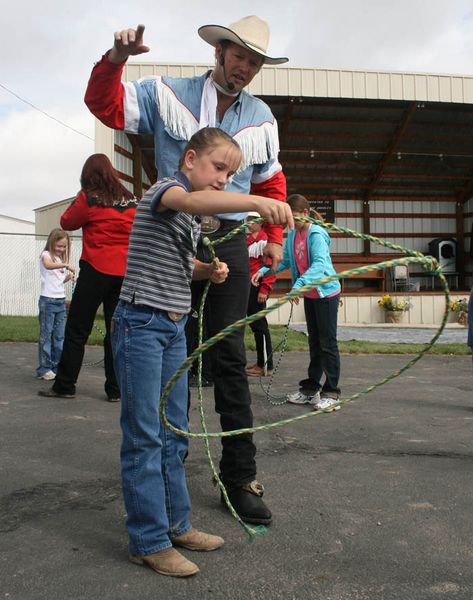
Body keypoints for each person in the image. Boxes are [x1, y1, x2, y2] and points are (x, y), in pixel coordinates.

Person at [84, 15, 289, 525]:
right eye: (239, 55)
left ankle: (240, 477)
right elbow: (104, 105)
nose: (245, 67)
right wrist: (117, 59)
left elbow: (272, 181)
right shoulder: (167, 93)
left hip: (232, 239)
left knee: (228, 353)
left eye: (255, 61)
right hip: (176, 234)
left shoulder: (262, 116)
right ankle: (166, 479)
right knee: (173, 353)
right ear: (219, 51)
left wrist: (277, 238)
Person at [110, 128, 293, 577]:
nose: (223, 180)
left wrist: (206, 270)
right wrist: (253, 201)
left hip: (173, 326)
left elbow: (176, 258)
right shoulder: (166, 190)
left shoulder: (190, 217)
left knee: (175, 430)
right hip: (140, 324)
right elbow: (193, 203)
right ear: (189, 159)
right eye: (218, 168)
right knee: (145, 434)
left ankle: (176, 524)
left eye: (231, 175)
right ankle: (148, 540)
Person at [38, 154, 138, 401]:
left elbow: (66, 221)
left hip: (95, 270)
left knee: (77, 330)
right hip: (123, 274)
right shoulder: (131, 199)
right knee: (116, 332)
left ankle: (65, 385)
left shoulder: (89, 198)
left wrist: (81, 194)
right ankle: (115, 391)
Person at [252, 194, 342, 412]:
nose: (290, 222)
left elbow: (320, 265)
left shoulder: (316, 234)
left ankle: (332, 392)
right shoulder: (293, 235)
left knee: (327, 343)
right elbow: (288, 261)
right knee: (314, 343)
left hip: (326, 294)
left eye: (293, 217)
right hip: (309, 294)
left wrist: (299, 285)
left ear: (305, 213)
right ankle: (311, 389)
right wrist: (263, 271)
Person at [37, 228, 75, 381]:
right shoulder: (46, 255)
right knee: (46, 335)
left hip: (60, 301)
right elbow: (47, 265)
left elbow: (57, 280)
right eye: (58, 246)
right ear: (51, 243)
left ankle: (55, 367)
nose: (61, 249)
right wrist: (66, 265)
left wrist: (68, 277)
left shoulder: (59, 260)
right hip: (48, 301)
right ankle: (44, 368)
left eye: (64, 246)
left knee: (59, 337)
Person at [245, 212, 276, 377]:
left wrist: (265, 288)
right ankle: (261, 362)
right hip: (249, 287)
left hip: (257, 288)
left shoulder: (265, 242)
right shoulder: (249, 240)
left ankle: (265, 364)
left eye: (252, 220)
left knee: (259, 325)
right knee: (256, 326)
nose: (248, 223)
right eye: (248, 219)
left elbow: (271, 267)